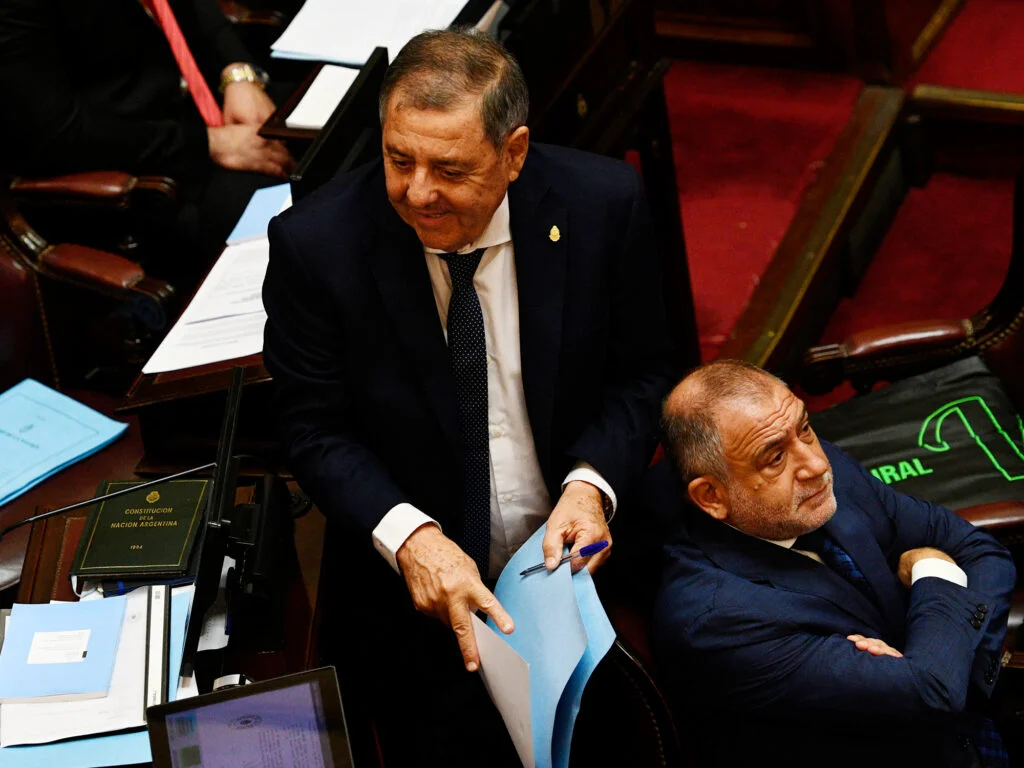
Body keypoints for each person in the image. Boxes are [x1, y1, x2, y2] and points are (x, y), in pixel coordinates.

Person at [262, 27, 676, 767]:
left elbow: (643, 375)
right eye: (399, 160)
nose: (417, 193)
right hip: (415, 599)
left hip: (587, 574)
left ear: (514, 153)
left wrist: (590, 486)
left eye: (449, 169)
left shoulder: (600, 205)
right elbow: (312, 428)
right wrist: (412, 540)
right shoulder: (317, 245)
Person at [653, 360, 1016, 767]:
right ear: (712, 496)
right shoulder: (716, 622)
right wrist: (934, 569)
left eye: (805, 427)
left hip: (971, 733)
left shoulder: (817, 472)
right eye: (774, 458)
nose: (816, 465)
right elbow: (930, 693)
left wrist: (949, 670)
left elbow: (981, 553)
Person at [0, 0, 295, 275]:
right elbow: (57, 134)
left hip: (197, 103)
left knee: (315, 130)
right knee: (292, 229)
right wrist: (212, 143)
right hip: (138, 169)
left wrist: (237, 73)